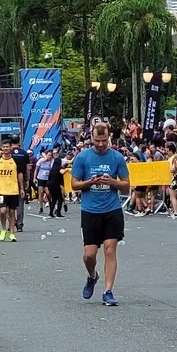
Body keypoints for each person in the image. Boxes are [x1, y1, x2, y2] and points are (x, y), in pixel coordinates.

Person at [70, 123, 130, 306]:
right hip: (90, 211)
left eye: (104, 141)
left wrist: (113, 182)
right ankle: (92, 276)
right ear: (91, 138)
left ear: (109, 138)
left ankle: (108, 291)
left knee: (110, 250)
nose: (101, 144)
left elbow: (126, 184)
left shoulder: (117, 157)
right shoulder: (83, 158)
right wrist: (89, 182)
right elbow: (74, 184)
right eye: (97, 141)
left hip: (112, 210)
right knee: (89, 255)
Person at [0, 142, 22, 242]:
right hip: (1, 190)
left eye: (7, 147)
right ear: (1, 148)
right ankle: (3, 229)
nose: (5, 148)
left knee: (12, 211)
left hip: (13, 190)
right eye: (3, 147)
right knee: (3, 210)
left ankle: (12, 233)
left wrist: (21, 188)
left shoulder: (16, 160)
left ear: (10, 148)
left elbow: (20, 174)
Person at [10, 137, 30, 231]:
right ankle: (20, 224)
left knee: (7, 203)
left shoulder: (8, 153)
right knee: (20, 203)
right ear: (19, 141)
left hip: (9, 180)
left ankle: (12, 221)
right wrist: (28, 180)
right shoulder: (24, 153)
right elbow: (28, 168)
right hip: (21, 180)